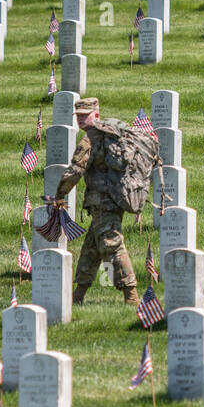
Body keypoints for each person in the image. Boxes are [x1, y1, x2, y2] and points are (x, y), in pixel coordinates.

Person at [55, 96, 144, 306]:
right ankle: (78, 295)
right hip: (112, 199)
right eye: (78, 116)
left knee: (112, 244)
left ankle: (131, 296)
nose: (81, 120)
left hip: (104, 202)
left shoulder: (90, 139)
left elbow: (75, 171)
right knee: (92, 249)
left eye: (85, 116)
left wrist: (59, 194)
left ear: (96, 115)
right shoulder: (106, 135)